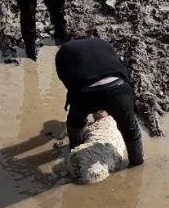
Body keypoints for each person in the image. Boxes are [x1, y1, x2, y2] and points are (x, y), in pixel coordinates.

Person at [55, 34, 145, 167]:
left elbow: (66, 79)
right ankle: (137, 162)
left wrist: (79, 101)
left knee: (75, 122)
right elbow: (120, 67)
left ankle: (75, 155)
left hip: (85, 91)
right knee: (130, 128)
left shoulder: (65, 49)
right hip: (119, 88)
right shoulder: (103, 43)